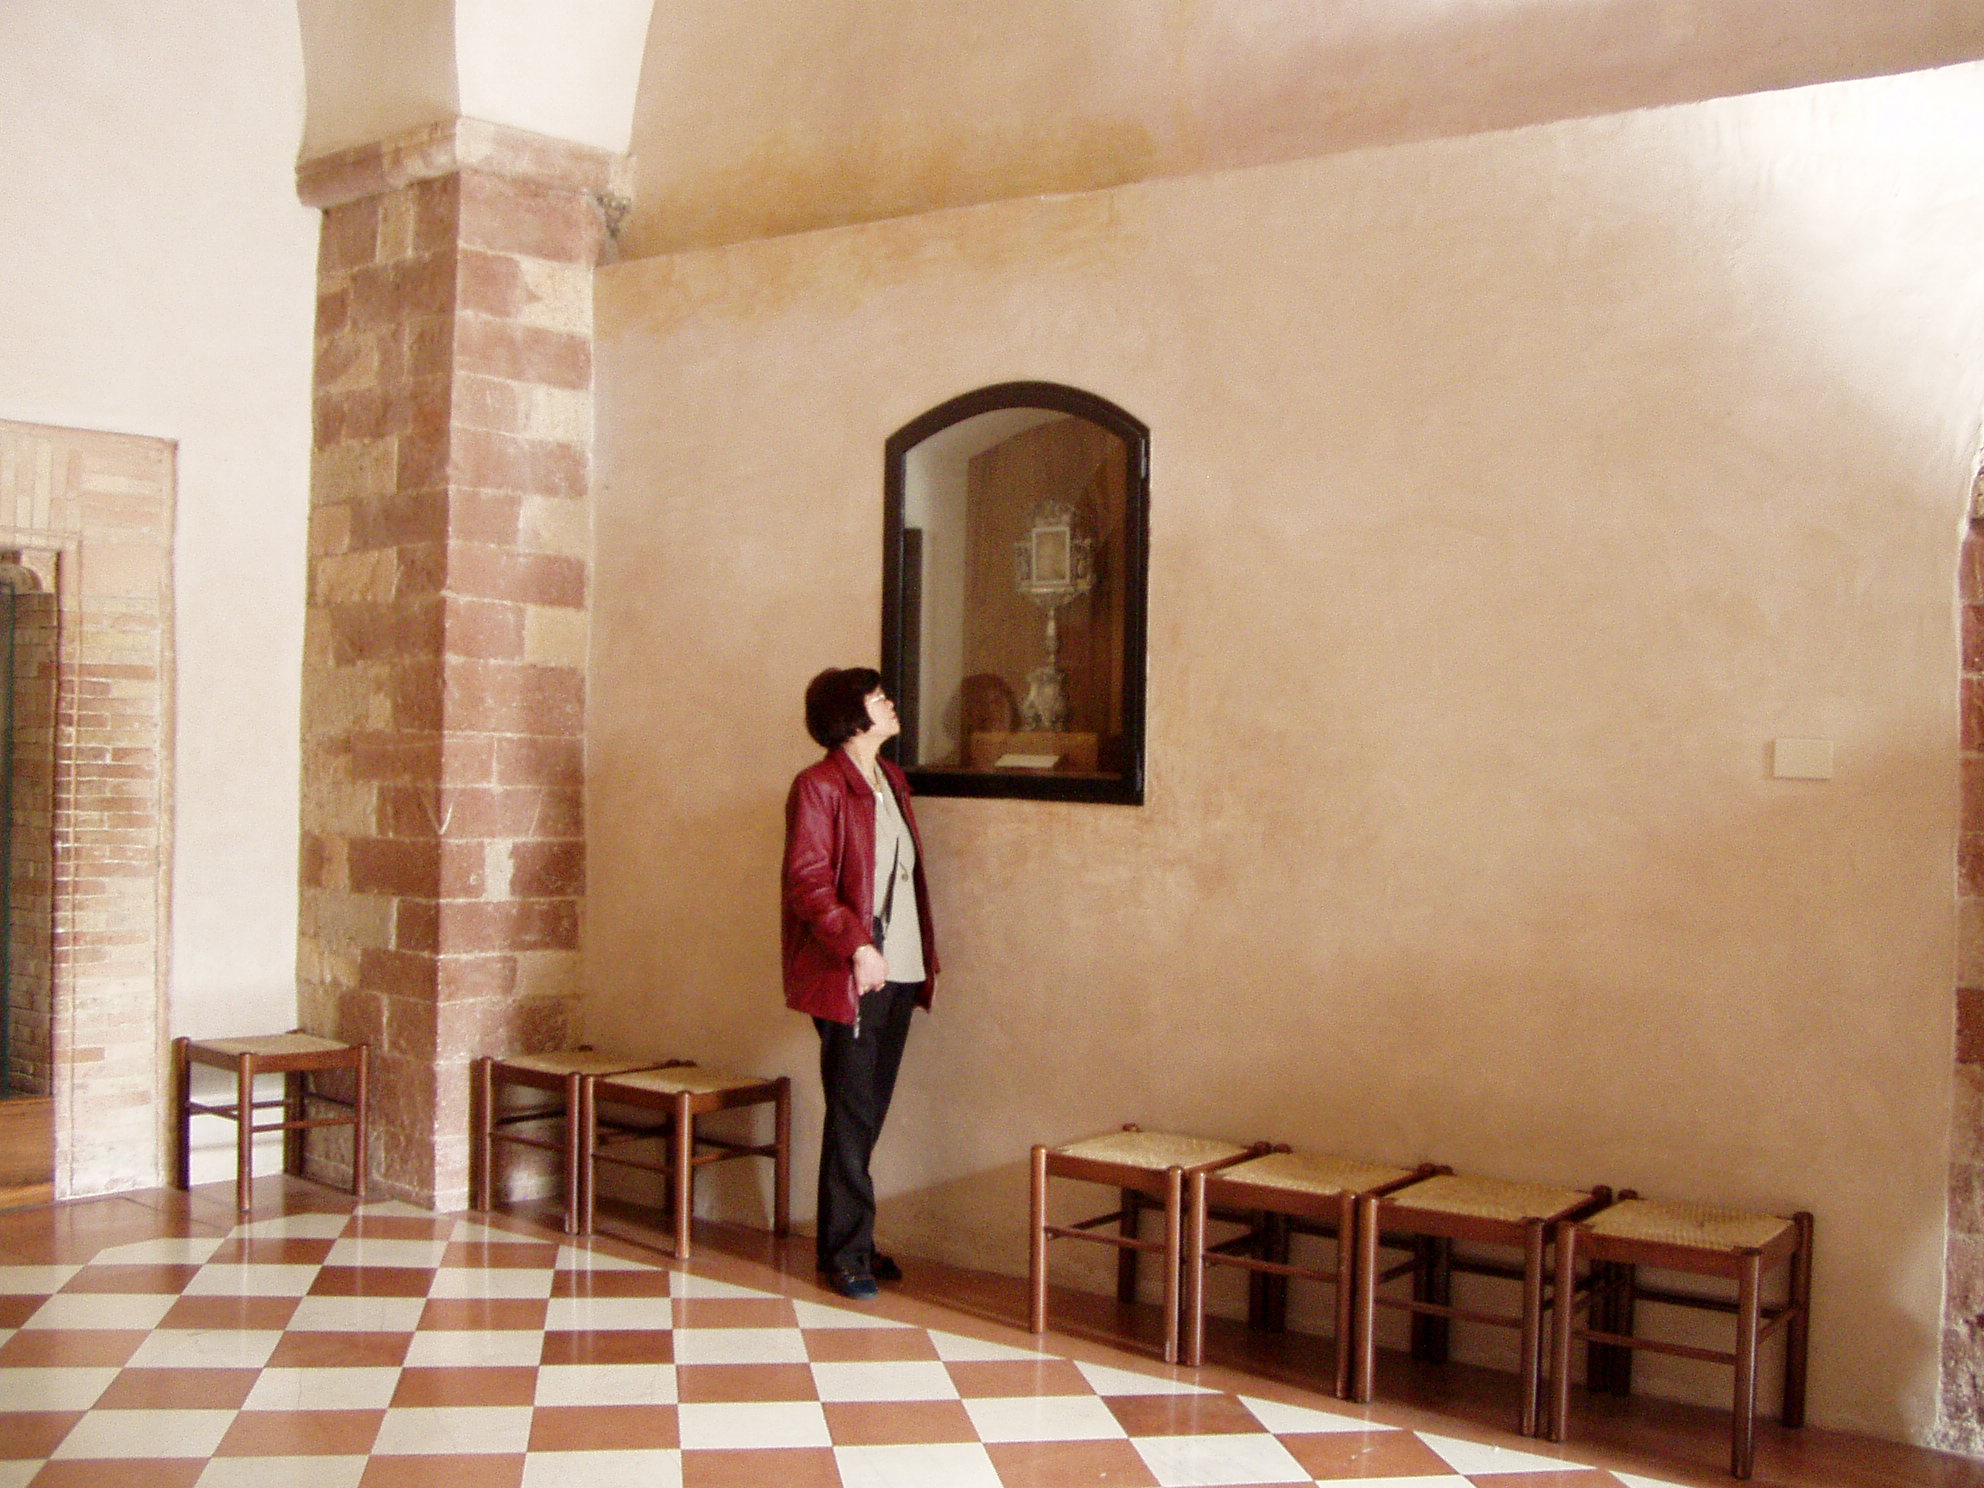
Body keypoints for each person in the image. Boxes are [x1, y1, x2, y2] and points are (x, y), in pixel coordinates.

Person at [781, 666, 939, 1300]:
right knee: (850, 1110)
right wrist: (857, 947)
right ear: (851, 717)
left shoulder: (890, 780)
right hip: (857, 972)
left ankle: (843, 1239)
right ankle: (849, 1252)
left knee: (866, 1111)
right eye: (880, 700)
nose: (891, 705)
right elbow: (808, 882)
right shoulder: (818, 785)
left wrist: (903, 956)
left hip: (900, 968)